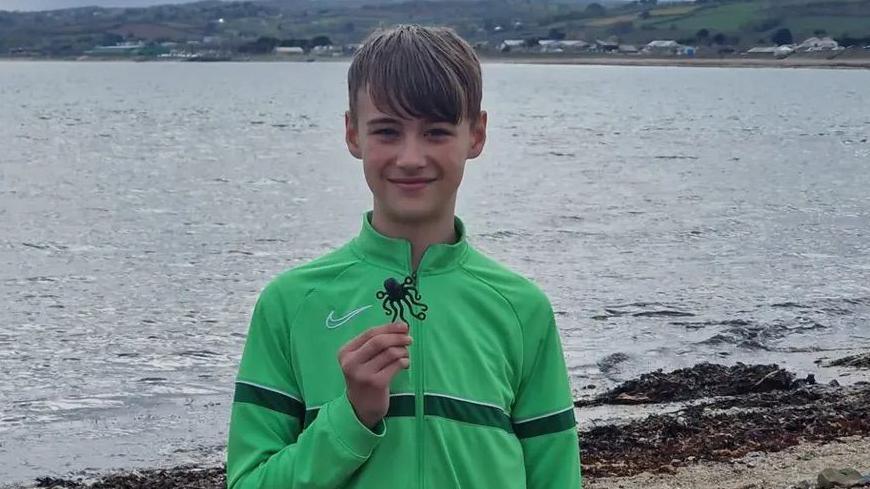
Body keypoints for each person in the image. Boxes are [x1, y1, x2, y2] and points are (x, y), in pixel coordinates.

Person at [226, 24, 581, 489]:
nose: (411, 158)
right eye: (388, 131)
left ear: (476, 134)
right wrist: (351, 417)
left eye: (435, 132)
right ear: (353, 134)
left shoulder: (521, 309)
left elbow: (556, 477)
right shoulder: (290, 304)